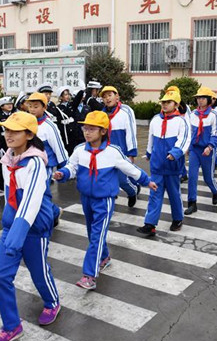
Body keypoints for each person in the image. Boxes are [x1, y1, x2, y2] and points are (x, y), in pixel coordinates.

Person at [54, 111, 156, 290]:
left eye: (92, 129)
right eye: (85, 128)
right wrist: (63, 174)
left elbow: (130, 168)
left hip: (104, 200)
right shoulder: (80, 149)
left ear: (103, 131)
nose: (87, 132)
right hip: (86, 198)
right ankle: (104, 257)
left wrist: (146, 181)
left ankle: (89, 276)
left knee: (96, 236)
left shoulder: (112, 152)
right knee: (93, 233)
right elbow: (72, 167)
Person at [0, 112, 60, 341]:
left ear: (29, 135)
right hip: (13, 226)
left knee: (38, 272)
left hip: (34, 227)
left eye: (14, 131)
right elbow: (11, 198)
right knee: (0, 276)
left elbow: (30, 201)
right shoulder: (8, 159)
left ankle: (52, 301)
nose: (8, 134)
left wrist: (17, 236)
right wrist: (11, 230)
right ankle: (11, 326)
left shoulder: (35, 163)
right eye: (6, 130)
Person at [137, 87, 190, 236]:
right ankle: (150, 224)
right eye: (163, 102)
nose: (165, 104)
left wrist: (175, 152)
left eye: (168, 102)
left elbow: (185, 139)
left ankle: (178, 219)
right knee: (154, 194)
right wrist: (149, 153)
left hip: (173, 166)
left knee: (174, 194)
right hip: (157, 165)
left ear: (176, 104)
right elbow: (151, 138)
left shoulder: (181, 121)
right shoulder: (155, 119)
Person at [25, 92, 68, 226]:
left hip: (46, 166)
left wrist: (65, 167)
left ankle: (48, 219)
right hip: (29, 165)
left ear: (44, 107)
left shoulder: (49, 126)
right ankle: (54, 212)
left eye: (36, 106)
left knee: (42, 193)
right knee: (33, 194)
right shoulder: (25, 124)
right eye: (30, 106)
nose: (32, 109)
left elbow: (59, 147)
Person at [100, 85, 140, 206]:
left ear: (117, 97)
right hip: (106, 152)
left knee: (123, 180)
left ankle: (132, 192)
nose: (107, 98)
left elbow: (131, 132)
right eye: (104, 97)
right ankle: (110, 201)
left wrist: (131, 153)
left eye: (110, 95)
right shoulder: (101, 114)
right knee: (107, 179)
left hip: (122, 152)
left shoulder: (126, 111)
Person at [184, 87, 217, 215]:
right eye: (198, 98)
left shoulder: (214, 115)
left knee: (208, 178)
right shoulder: (193, 114)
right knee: (192, 176)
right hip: (195, 149)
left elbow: (216, 133)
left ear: (209, 100)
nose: (200, 100)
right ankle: (192, 203)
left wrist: (210, 147)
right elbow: (190, 132)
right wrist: (188, 146)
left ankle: (215, 191)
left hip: (207, 150)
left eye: (203, 98)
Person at [0, 96, 16, 193]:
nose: (10, 106)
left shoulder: (15, 115)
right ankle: (3, 185)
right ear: (1, 106)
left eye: (11, 104)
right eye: (7, 104)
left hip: (14, 144)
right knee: (3, 167)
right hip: (3, 145)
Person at [56, 86, 87, 153]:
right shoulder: (58, 108)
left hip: (75, 133)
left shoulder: (71, 105)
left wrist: (82, 90)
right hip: (66, 134)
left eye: (68, 94)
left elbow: (78, 98)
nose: (67, 96)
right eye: (65, 94)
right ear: (61, 97)